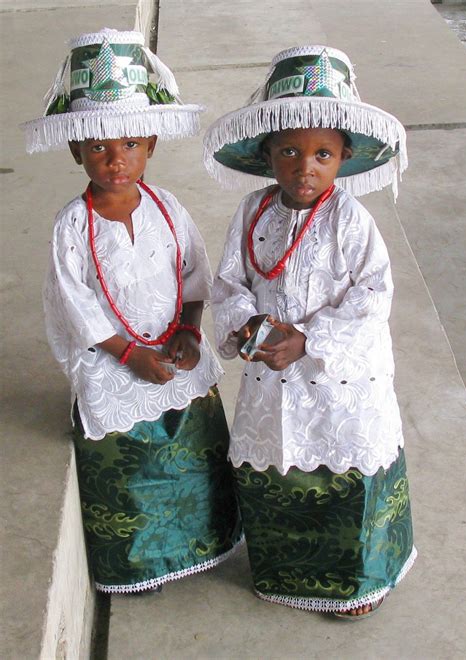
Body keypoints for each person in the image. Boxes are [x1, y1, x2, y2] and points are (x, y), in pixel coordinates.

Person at [23, 28, 241, 594]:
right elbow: (76, 302)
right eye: (98, 147)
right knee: (132, 465)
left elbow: (194, 272)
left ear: (150, 146)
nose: (114, 160)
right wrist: (129, 354)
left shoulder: (168, 209)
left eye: (129, 146)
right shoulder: (74, 224)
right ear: (76, 151)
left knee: (193, 451)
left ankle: (205, 539)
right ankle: (140, 561)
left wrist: (189, 334)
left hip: (172, 348)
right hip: (114, 358)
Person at [204, 45, 416, 618]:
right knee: (281, 468)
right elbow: (228, 282)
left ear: (344, 156)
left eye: (322, 153)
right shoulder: (252, 213)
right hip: (271, 375)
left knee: (343, 469)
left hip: (341, 381)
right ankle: (285, 572)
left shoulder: (351, 219)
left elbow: (373, 297)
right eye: (290, 151)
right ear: (267, 153)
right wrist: (247, 322)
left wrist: (310, 341)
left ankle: (352, 585)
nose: (305, 167)